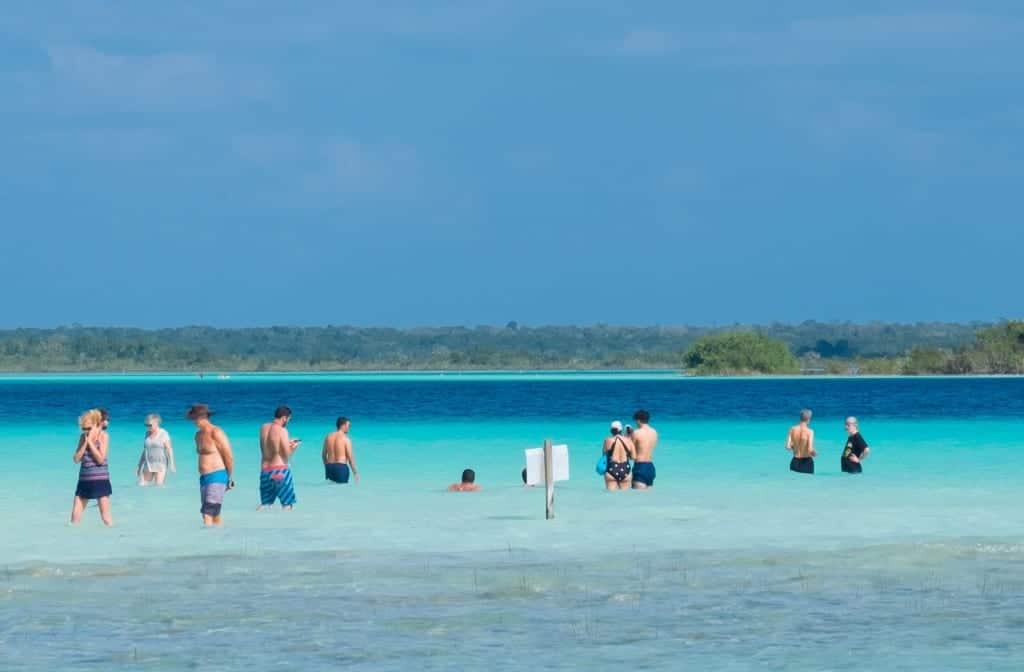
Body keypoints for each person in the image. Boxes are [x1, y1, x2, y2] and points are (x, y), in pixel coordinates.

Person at [189, 404, 234, 526]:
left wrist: (229, 478)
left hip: (218, 475)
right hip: (204, 479)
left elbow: (228, 456)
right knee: (214, 513)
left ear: (202, 417)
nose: (192, 421)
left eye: (194, 418)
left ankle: (206, 541)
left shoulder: (216, 432)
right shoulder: (198, 435)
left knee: (207, 513)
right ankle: (219, 538)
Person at [70, 408, 113, 526]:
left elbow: (100, 459)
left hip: (100, 480)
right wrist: (85, 442)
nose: (86, 431)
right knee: (74, 519)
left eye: (88, 428)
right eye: (84, 429)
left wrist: (90, 443)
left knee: (106, 518)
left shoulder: (104, 436)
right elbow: (76, 459)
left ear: (96, 424)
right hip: (84, 480)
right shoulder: (83, 437)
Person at [258, 406, 299, 509]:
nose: (288, 422)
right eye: (289, 419)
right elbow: (286, 455)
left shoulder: (263, 428)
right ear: (284, 418)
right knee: (287, 505)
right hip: (280, 471)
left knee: (265, 505)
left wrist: (286, 443)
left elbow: (270, 447)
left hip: (265, 472)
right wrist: (293, 447)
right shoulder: (282, 430)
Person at [136, 414, 175, 486]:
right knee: (141, 484)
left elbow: (169, 449)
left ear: (156, 423)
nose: (148, 427)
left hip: (161, 463)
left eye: (149, 425)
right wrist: (139, 465)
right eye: (146, 425)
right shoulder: (147, 434)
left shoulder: (164, 433)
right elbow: (145, 451)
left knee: (158, 486)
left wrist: (172, 464)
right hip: (148, 463)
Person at [322, 416, 359, 484]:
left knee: (329, 490)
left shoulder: (328, 437)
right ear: (343, 425)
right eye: (348, 425)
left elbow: (324, 455)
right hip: (341, 468)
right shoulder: (346, 439)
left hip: (329, 467)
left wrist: (327, 467)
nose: (349, 428)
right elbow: (350, 458)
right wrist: (355, 473)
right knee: (342, 491)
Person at [603, 420, 635, 490]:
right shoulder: (628, 441)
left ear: (611, 430)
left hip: (611, 468)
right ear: (621, 430)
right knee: (625, 498)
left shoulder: (607, 440)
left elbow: (604, 456)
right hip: (625, 468)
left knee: (610, 497)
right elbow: (633, 457)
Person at [630, 410, 658, 489]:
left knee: (638, 499)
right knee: (648, 499)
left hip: (640, 466)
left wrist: (628, 437)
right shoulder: (654, 432)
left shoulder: (636, 433)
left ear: (638, 420)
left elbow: (630, 451)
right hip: (650, 467)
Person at [786, 409, 817, 474]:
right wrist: (815, 453)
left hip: (795, 462)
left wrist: (796, 447)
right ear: (808, 419)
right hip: (806, 462)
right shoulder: (810, 432)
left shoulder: (792, 429)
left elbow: (787, 447)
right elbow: (810, 449)